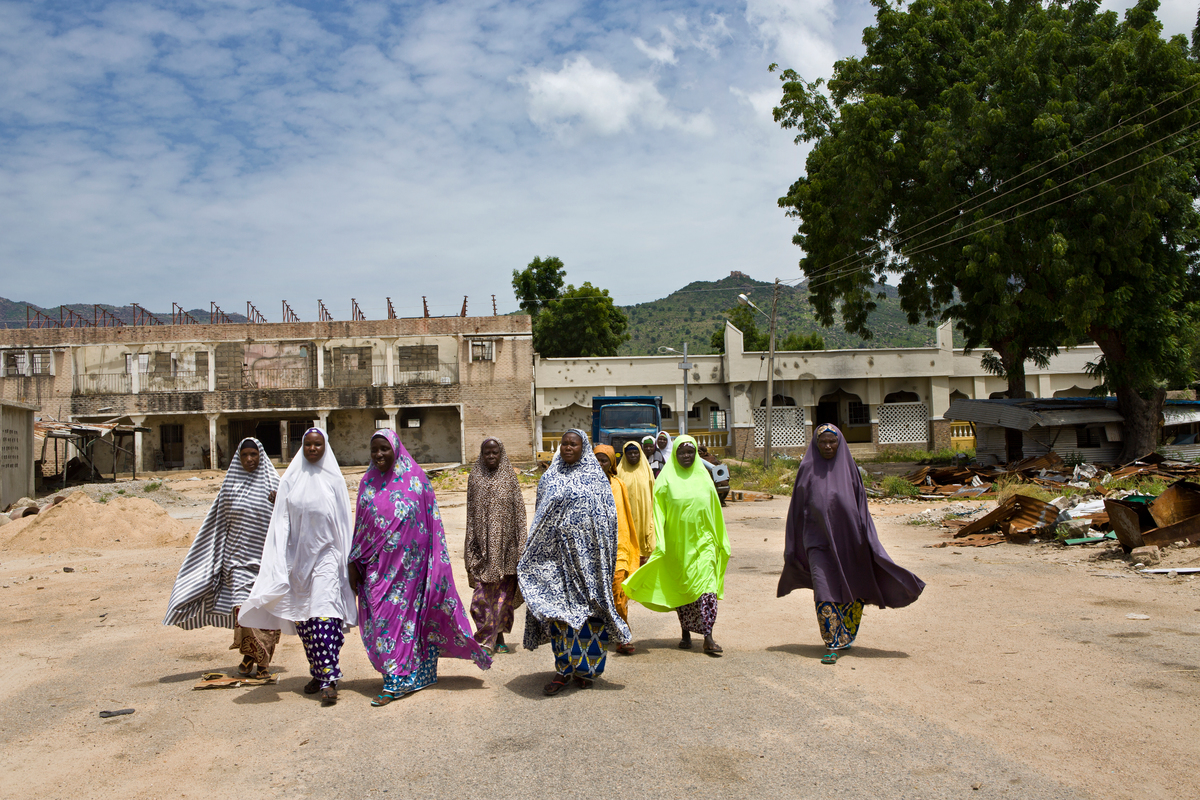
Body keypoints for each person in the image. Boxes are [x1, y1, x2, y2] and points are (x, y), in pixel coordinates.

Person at [350, 430, 491, 706]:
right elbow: (361, 528)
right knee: (381, 623)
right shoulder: (367, 483)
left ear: (396, 450)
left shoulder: (417, 483)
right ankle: (412, 674)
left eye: (384, 449)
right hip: (377, 571)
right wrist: (354, 560)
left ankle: (397, 681)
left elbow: (432, 526)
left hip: (412, 573)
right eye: (374, 450)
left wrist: (433, 566)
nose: (379, 455)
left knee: (406, 623)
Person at [779, 423, 925, 664]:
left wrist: (868, 539)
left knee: (852, 587)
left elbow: (861, 508)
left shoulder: (850, 469)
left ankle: (844, 634)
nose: (827, 446)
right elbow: (796, 509)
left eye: (831, 441)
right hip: (817, 543)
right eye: (823, 442)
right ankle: (831, 643)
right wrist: (793, 545)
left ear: (840, 443)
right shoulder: (806, 469)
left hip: (850, 540)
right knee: (824, 590)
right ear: (816, 444)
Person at [239, 428, 357, 705]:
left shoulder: (334, 481)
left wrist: (346, 562)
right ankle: (318, 671)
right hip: (299, 563)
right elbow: (281, 523)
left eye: (318, 445)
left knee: (324, 617)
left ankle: (329, 678)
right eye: (308, 445)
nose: (313, 449)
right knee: (305, 623)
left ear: (325, 447)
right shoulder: (290, 480)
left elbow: (343, 523)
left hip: (328, 559)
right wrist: (279, 561)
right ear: (302, 447)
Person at [518, 429, 631, 695]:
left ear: (584, 447)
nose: (568, 448)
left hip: (588, 564)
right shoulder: (549, 479)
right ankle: (563, 669)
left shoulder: (596, 480)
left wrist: (602, 558)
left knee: (590, 615)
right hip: (556, 562)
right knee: (560, 616)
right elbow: (540, 520)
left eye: (574, 444)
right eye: (564, 444)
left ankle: (586, 670)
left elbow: (607, 522)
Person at [163, 437, 281, 677]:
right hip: (237, 563)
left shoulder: (275, 486)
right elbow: (216, 526)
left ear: (261, 456)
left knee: (265, 612)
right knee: (243, 610)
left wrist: (281, 502)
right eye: (245, 455)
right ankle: (254, 655)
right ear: (238, 457)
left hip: (267, 563)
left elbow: (289, 522)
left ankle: (259, 659)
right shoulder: (230, 487)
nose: (249, 459)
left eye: (254, 455)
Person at [623, 434, 730, 655]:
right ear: (675, 454)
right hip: (677, 545)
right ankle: (686, 632)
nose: (687, 456)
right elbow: (658, 515)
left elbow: (716, 513)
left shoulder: (704, 479)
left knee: (706, 588)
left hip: (704, 544)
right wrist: (658, 543)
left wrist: (721, 540)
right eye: (682, 452)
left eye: (690, 452)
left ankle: (708, 636)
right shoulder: (665, 481)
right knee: (684, 588)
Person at [464, 437, 528, 655]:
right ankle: (484, 638)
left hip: (507, 548)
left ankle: (498, 635)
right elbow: (470, 516)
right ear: (481, 455)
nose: (491, 456)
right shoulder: (475, 478)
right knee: (482, 596)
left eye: (495, 453)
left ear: (502, 453)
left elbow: (520, 513)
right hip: (482, 549)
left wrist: (522, 544)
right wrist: (470, 547)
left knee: (503, 595)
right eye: (486, 453)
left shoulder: (510, 478)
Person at [593, 444, 640, 655]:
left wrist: (631, 545)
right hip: (595, 550)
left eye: (604, 460)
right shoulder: (586, 486)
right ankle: (599, 635)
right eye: (597, 460)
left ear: (611, 463)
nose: (600, 464)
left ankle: (624, 636)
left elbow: (626, 517)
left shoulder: (619, 484)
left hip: (618, 548)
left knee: (619, 593)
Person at [616, 440, 655, 566]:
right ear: (624, 455)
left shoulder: (647, 471)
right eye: (630, 453)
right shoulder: (619, 472)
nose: (633, 456)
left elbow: (653, 492)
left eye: (635, 453)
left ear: (640, 454)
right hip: (627, 515)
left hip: (645, 513)